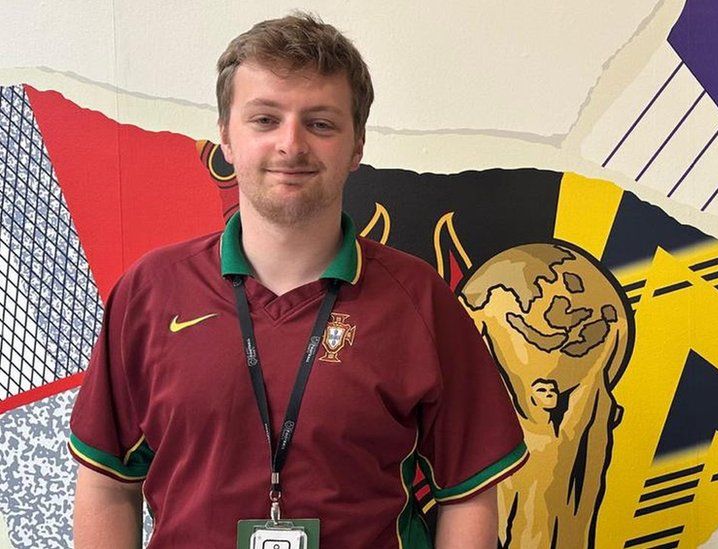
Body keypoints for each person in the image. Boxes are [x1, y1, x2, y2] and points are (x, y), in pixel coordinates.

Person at [69, 12, 526, 548]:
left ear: (356, 146)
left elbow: (466, 495)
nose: (292, 144)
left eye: (321, 123)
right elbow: (107, 485)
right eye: (265, 119)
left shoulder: (419, 300)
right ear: (226, 139)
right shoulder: (149, 292)